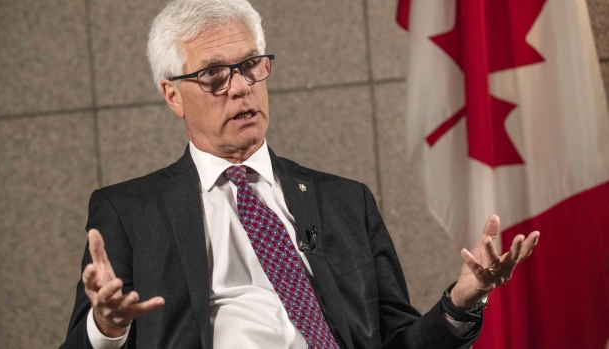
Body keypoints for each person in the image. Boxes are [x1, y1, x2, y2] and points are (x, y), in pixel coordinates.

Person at [61, 0, 539, 348]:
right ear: (172, 95)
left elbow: (400, 341)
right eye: (213, 76)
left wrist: (463, 299)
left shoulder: (346, 201)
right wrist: (108, 328)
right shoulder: (129, 212)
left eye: (250, 66)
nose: (241, 88)